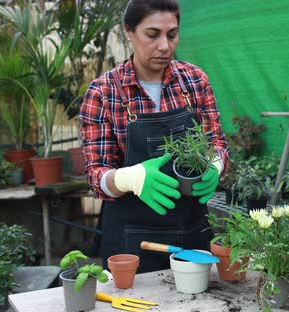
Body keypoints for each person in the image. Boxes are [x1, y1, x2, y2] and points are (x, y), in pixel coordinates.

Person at [79, 0, 228, 273]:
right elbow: (95, 175)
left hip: (192, 234)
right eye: (152, 34)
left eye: (172, 35)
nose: (164, 46)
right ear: (128, 31)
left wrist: (216, 165)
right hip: (131, 243)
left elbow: (217, 143)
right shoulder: (103, 93)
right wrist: (129, 178)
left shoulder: (194, 81)